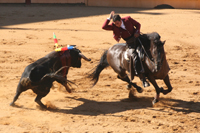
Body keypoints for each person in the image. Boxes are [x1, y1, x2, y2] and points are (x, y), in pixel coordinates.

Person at [102, 11, 149, 88]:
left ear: (121, 20)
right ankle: (142, 77)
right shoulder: (114, 26)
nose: (117, 25)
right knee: (134, 55)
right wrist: (109, 18)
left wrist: (137, 31)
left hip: (138, 37)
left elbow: (137, 24)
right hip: (130, 43)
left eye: (118, 23)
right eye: (115, 24)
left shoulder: (128, 19)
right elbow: (104, 27)